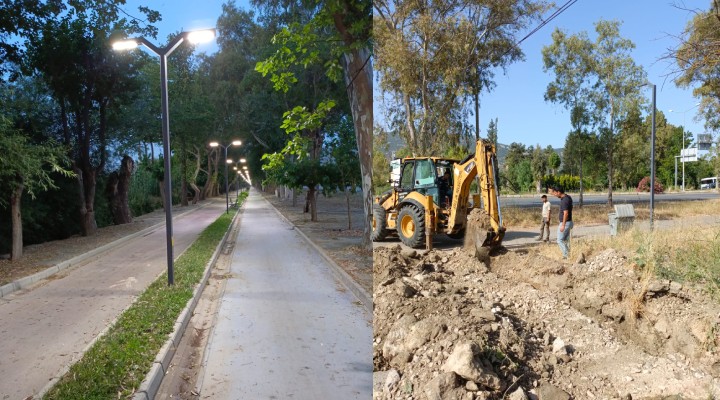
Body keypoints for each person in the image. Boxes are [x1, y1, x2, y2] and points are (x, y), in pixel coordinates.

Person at [549, 185, 573, 259]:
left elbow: (566, 213)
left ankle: (566, 255)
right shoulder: (568, 197)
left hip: (565, 223)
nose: (555, 195)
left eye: (555, 193)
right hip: (569, 222)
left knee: (559, 240)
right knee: (566, 240)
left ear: (559, 192)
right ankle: (569, 254)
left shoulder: (564, 200)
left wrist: (563, 225)